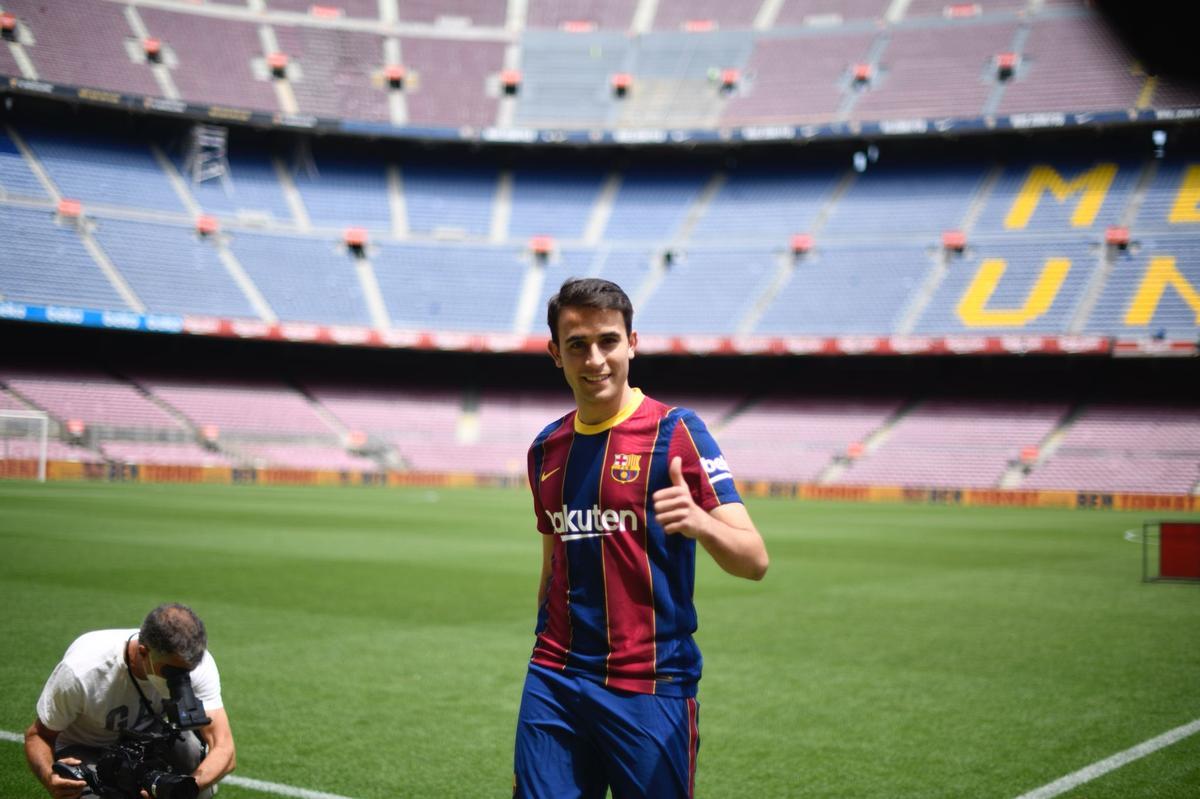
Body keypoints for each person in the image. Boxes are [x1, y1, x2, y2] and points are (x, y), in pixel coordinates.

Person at [513, 278, 769, 798]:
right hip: (555, 677)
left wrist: (700, 524)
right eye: (577, 345)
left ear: (632, 343)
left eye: (608, 341)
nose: (595, 359)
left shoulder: (678, 431)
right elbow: (552, 565)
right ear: (555, 354)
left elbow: (754, 560)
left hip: (650, 686)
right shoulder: (545, 448)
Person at [24, 603, 236, 799]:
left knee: (190, 749)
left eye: (188, 671)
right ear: (144, 652)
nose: (183, 678)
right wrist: (49, 777)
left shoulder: (194, 663)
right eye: (173, 671)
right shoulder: (83, 671)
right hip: (86, 748)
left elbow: (224, 748)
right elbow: (38, 735)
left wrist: (185, 788)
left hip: (146, 741)